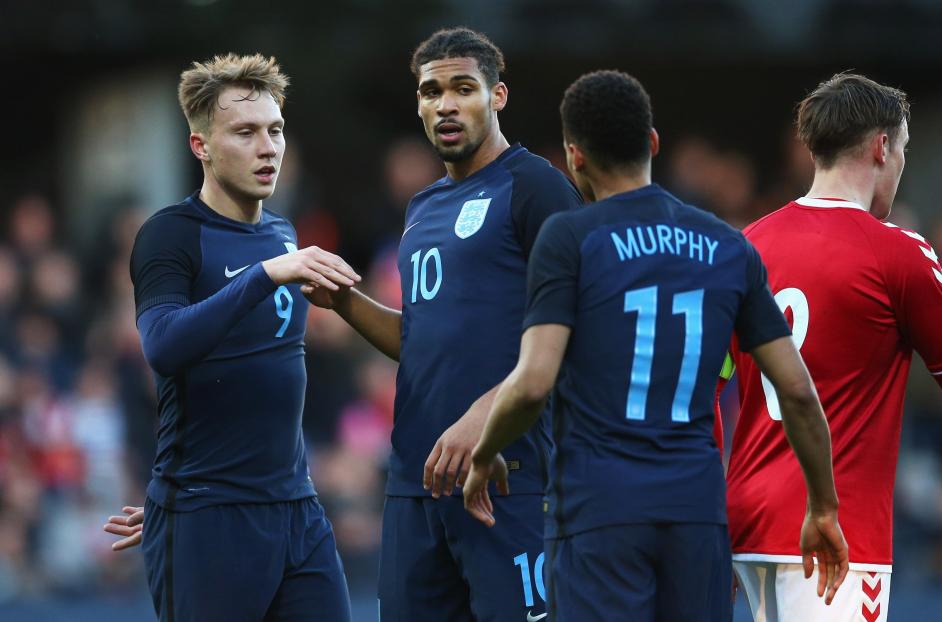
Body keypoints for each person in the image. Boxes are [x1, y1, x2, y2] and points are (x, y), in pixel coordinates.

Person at [462, 69, 849, 622]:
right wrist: (824, 505)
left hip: (599, 512)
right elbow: (796, 390)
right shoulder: (726, 245)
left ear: (574, 157)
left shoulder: (570, 238)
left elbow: (532, 383)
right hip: (696, 513)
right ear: (652, 144)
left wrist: (484, 453)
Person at [301, 28, 582, 621]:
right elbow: (419, 341)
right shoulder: (422, 207)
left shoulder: (535, 187)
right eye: (431, 92)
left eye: (463, 88)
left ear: (497, 96)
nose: (445, 104)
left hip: (509, 476)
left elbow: (575, 325)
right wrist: (345, 301)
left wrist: (485, 417)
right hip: (415, 484)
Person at [104, 53, 359, 621]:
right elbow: (164, 346)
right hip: (207, 515)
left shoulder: (283, 233)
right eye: (245, 132)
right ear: (201, 146)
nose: (267, 147)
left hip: (296, 509)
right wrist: (265, 275)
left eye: (275, 130)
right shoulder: (170, 234)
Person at [726, 73, 942, 622]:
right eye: (902, 149)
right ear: (883, 146)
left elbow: (712, 386)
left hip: (747, 526)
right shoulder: (898, 251)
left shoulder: (747, 244)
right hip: (837, 539)